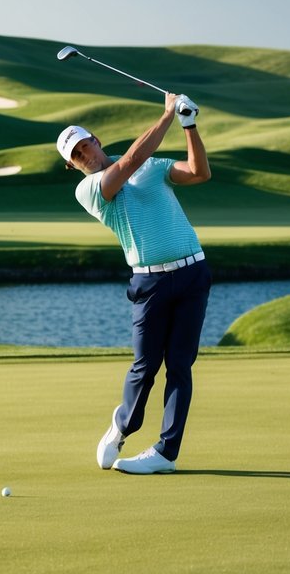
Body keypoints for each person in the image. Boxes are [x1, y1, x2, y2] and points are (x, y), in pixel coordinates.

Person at [57, 91, 212, 474]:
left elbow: (199, 172)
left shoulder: (153, 167)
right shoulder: (90, 190)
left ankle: (165, 453)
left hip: (193, 272)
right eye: (76, 155)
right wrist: (167, 116)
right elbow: (128, 162)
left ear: (96, 139)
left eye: (86, 144)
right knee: (146, 366)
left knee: (180, 365)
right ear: (72, 166)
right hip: (150, 283)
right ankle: (123, 425)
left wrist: (189, 124)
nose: (85, 155)